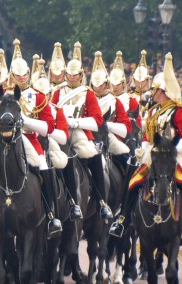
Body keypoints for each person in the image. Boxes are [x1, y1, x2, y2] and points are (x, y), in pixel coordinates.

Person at [0, 40, 65, 237]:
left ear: (28, 74)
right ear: (11, 75)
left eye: (24, 74)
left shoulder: (38, 96)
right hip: (3, 139)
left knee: (43, 166)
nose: (21, 78)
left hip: (29, 140)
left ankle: (51, 216)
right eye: (17, 75)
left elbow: (48, 125)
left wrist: (27, 122)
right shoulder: (2, 97)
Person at [110, 53, 182, 246]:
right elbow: (148, 136)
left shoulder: (180, 111)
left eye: (156, 90)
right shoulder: (154, 111)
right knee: (134, 180)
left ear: (164, 91)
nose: (153, 93)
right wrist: (145, 148)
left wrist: (170, 150)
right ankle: (122, 219)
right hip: (155, 156)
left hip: (177, 156)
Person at [51, 42, 111, 221]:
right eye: (68, 74)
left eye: (74, 75)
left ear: (80, 76)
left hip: (78, 132)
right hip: (59, 130)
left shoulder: (88, 94)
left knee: (90, 152)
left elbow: (97, 120)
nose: (71, 78)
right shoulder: (57, 92)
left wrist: (75, 122)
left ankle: (101, 202)